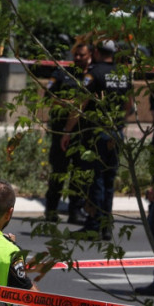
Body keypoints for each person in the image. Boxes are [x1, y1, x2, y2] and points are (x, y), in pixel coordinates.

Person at [59, 39, 133, 241]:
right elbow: (129, 105)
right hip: (116, 132)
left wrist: (67, 131)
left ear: (97, 52)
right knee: (109, 180)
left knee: (96, 180)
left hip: (97, 134)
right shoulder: (123, 75)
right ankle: (106, 227)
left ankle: (93, 226)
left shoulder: (94, 74)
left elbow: (79, 105)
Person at [42, 42, 91, 224]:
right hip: (61, 130)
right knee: (59, 172)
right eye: (76, 55)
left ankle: (75, 210)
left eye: (82, 55)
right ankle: (51, 209)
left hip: (83, 133)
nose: (77, 58)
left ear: (89, 56)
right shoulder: (62, 74)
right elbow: (48, 96)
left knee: (79, 174)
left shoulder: (91, 76)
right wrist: (70, 103)